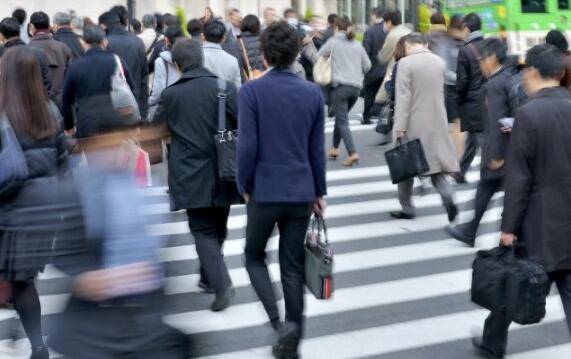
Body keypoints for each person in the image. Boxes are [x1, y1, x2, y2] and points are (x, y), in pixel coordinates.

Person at [472, 44, 571, 359]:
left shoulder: (528, 114)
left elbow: (519, 178)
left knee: (511, 282)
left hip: (538, 221)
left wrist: (508, 227)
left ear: (532, 73)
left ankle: (492, 346)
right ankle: (490, 342)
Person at [237, 21, 326, 359]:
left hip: (264, 189)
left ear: (266, 53)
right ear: (294, 54)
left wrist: (244, 185)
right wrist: (319, 191)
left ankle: (279, 326)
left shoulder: (251, 91)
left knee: (253, 256)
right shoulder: (312, 93)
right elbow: (316, 149)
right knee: (292, 267)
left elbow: (247, 146)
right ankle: (294, 341)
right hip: (301, 190)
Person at [153, 39, 240, 311]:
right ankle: (208, 277)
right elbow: (241, 124)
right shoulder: (225, 88)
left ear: (177, 65)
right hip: (225, 167)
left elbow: (158, 129)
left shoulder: (171, 95)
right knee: (218, 226)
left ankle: (221, 283)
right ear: (202, 58)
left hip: (190, 170)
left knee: (202, 229)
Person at [0, 46, 67, 359]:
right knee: (25, 280)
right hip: (44, 207)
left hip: (9, 207)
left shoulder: (2, 112)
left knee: (19, 279)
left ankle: (34, 341)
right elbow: (63, 161)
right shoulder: (50, 110)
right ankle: (35, 343)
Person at [445, 38, 519, 246]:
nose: (480, 64)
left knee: (494, 190)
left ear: (493, 58)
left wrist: (497, 154)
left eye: (482, 59)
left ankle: (485, 233)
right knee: (487, 189)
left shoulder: (495, 84)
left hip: (500, 152)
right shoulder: (510, 78)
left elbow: (498, 122)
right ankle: (471, 229)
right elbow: (509, 120)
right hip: (509, 150)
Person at [390, 33, 459, 221]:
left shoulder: (405, 63)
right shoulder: (439, 62)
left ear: (409, 45)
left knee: (406, 166)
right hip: (437, 120)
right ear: (425, 44)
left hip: (413, 121)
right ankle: (448, 197)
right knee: (435, 166)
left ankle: (407, 208)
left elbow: (403, 97)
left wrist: (400, 127)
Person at [61, 25, 137, 138]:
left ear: (83, 43)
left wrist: (69, 126)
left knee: (92, 154)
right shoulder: (117, 61)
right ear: (104, 42)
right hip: (115, 120)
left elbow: (67, 101)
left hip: (87, 122)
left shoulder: (75, 66)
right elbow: (132, 89)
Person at [318, 16, 371, 166]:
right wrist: (355, 72)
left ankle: (352, 152)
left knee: (342, 121)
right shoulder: (357, 44)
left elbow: (320, 55)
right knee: (341, 119)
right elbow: (367, 66)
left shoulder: (333, 41)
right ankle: (334, 148)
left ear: (336, 28)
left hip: (339, 87)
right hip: (356, 88)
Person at [428, 13, 465, 158]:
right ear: (456, 29)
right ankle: (453, 158)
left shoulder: (459, 42)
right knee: (455, 125)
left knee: (455, 125)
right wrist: (461, 78)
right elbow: (443, 68)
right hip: (448, 88)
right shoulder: (446, 42)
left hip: (455, 87)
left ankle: (455, 158)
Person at [454, 13, 486, 184]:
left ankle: (495, 176)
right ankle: (460, 172)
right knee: (473, 139)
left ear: (467, 28)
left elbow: (462, 81)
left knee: (481, 140)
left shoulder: (465, 50)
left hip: (472, 102)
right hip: (489, 99)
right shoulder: (490, 45)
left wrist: (458, 99)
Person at [101, 10, 149, 119]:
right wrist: (144, 110)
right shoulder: (138, 42)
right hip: (134, 103)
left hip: (111, 106)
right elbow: (143, 78)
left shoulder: (105, 43)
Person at [29, 11, 72, 108]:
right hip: (61, 105)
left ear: (31, 27)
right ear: (49, 27)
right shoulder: (63, 48)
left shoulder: (25, 50)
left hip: (35, 107)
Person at [0, 17, 52, 96]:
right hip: (35, 104)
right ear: (19, 33)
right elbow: (47, 85)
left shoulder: (3, 56)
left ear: (1, 36)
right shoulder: (39, 53)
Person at [148, 26, 184, 119]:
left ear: (167, 40)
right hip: (186, 106)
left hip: (169, 107)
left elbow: (158, 92)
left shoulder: (161, 61)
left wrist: (149, 102)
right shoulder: (191, 57)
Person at [362, 7, 387, 124]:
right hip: (386, 67)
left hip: (372, 67)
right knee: (384, 95)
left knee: (369, 93)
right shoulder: (388, 30)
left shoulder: (370, 31)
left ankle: (367, 117)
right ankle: (381, 117)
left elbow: (365, 51)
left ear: (374, 15)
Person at [202, 20, 242, 89]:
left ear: (203, 36)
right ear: (224, 38)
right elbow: (237, 89)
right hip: (225, 99)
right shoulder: (232, 61)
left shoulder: (195, 57)